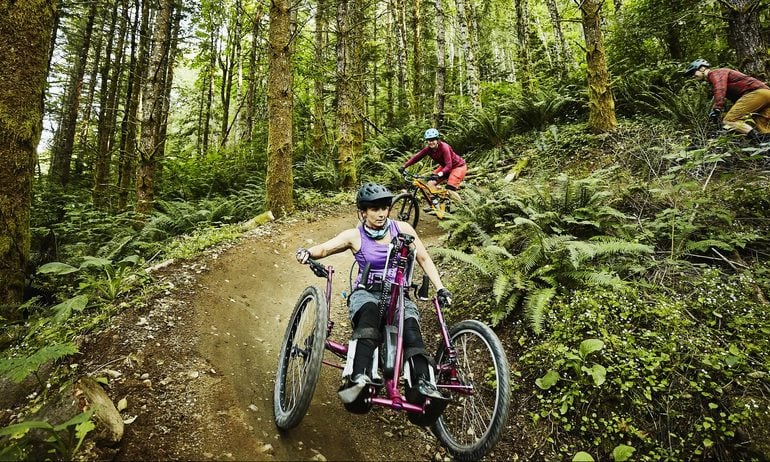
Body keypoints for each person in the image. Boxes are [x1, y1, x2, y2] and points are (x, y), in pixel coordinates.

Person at [295, 182, 452, 411]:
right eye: (374, 209)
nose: (380, 214)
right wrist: (308, 252)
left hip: (399, 296)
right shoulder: (354, 236)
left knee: (411, 329)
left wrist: (440, 287)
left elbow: (424, 259)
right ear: (363, 212)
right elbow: (327, 248)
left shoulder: (404, 230)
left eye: (384, 208)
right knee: (368, 319)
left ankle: (422, 386)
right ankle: (359, 377)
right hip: (367, 293)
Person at [684, 58, 770, 143]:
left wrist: (717, 108)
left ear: (702, 68)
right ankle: (765, 146)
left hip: (757, 94)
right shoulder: (717, 76)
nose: (692, 76)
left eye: (693, 72)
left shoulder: (715, 73)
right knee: (764, 128)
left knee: (729, 120)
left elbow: (720, 88)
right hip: (766, 94)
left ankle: (758, 139)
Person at [399, 128, 466, 201]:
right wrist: (404, 166)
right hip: (445, 168)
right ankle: (436, 206)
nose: (431, 142)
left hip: (458, 167)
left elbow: (449, 166)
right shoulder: (428, 149)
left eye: (433, 140)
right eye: (429, 140)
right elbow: (416, 158)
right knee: (430, 183)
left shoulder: (444, 147)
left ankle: (463, 209)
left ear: (437, 140)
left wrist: (439, 174)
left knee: (450, 189)